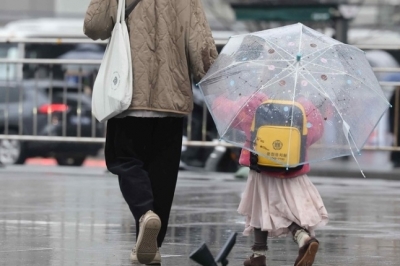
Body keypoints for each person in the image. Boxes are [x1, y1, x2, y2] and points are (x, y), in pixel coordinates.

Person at [83, 0, 217, 264]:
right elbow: (200, 44)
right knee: (162, 178)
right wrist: (213, 78)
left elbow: (94, 26)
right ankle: (150, 248)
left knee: (124, 160)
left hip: (129, 94)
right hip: (172, 99)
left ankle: (145, 213)